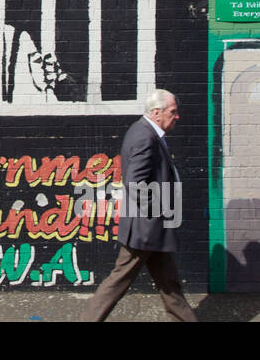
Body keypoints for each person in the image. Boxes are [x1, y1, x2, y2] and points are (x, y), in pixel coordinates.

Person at [81, 89, 196, 321]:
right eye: (173, 112)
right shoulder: (146, 137)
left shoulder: (143, 130)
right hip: (146, 227)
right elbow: (135, 183)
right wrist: (158, 211)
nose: (177, 116)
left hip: (151, 227)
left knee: (169, 283)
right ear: (156, 113)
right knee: (119, 281)